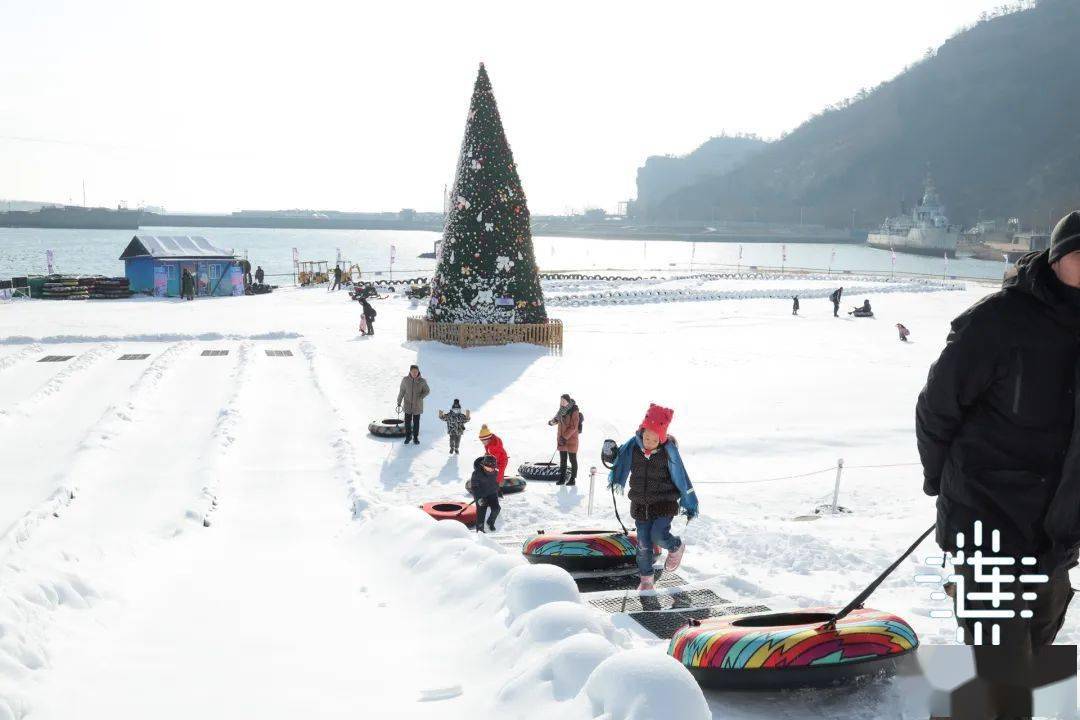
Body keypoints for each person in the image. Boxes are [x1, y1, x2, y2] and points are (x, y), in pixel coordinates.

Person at [916, 211, 1080, 717]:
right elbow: (937, 407)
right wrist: (940, 482)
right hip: (987, 517)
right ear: (1056, 258)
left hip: (1057, 529)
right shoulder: (998, 320)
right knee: (1002, 672)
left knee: (1038, 658)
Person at [607, 404, 698, 592]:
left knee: (658, 535)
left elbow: (681, 476)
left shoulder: (668, 452)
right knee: (643, 545)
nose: (648, 442)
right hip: (641, 504)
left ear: (662, 438)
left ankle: (675, 546)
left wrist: (687, 501)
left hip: (664, 503)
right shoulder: (632, 447)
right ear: (641, 432)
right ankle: (646, 580)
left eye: (653, 439)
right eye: (646, 437)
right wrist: (610, 454)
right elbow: (617, 459)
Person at [547, 393, 581, 486]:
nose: (561, 402)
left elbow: (573, 427)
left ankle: (572, 479)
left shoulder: (574, 410)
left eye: (563, 401)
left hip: (571, 439)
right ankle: (562, 478)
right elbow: (557, 419)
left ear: (568, 401)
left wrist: (564, 437)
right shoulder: (561, 410)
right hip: (562, 439)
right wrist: (552, 422)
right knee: (563, 460)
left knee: (572, 459)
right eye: (561, 400)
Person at [396, 365, 430, 445]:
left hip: (417, 405)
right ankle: (408, 437)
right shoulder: (405, 380)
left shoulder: (422, 381)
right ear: (410, 372)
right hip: (407, 404)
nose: (414, 373)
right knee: (407, 422)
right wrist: (399, 401)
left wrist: (421, 397)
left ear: (418, 372)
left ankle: (415, 438)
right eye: (413, 371)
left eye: (416, 371)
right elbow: (402, 391)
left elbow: (427, 391)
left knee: (416, 422)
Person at [469, 454, 501, 533]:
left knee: (496, 509)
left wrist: (498, 490)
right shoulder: (476, 473)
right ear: (483, 465)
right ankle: (480, 530)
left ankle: (490, 521)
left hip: (492, 494)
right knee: (481, 512)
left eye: (493, 468)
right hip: (481, 495)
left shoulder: (495, 472)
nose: (491, 469)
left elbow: (495, 482)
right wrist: (479, 498)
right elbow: (474, 488)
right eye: (489, 467)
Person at [478, 424, 508, 490]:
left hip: (502, 461)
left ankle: (498, 487)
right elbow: (488, 452)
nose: (482, 442)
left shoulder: (494, 447)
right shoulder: (488, 443)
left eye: (483, 441)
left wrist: (488, 461)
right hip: (494, 459)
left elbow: (494, 458)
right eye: (481, 441)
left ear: (488, 439)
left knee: (498, 474)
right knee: (489, 471)